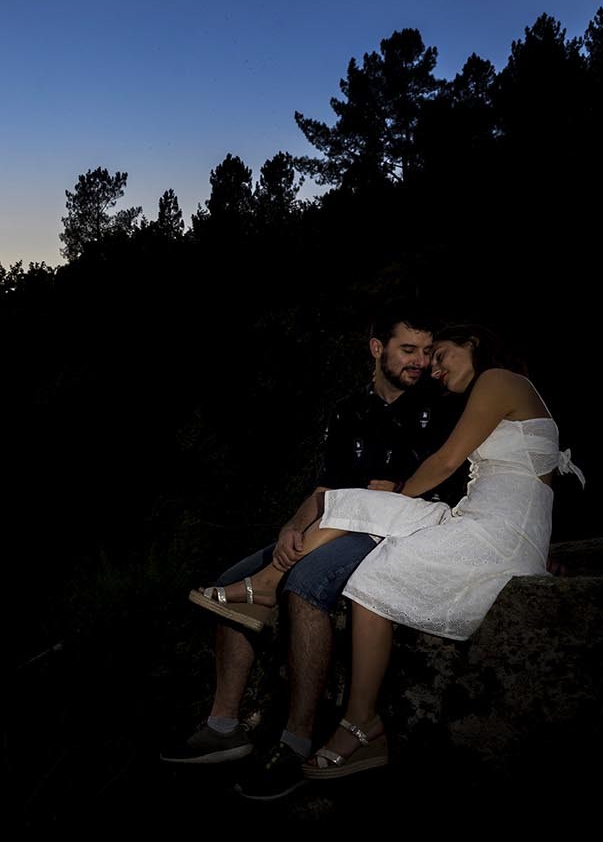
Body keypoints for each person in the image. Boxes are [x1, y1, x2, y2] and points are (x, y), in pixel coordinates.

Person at [206, 324, 584, 779]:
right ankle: (266, 586)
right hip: (476, 520)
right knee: (355, 500)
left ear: (474, 344)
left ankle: (361, 723)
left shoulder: (498, 379)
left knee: (373, 575)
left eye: (441, 355)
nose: (435, 369)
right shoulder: (485, 391)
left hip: (495, 533)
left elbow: (446, 462)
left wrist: (403, 490)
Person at [161, 308, 467, 801]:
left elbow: (452, 478)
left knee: (306, 585)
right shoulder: (349, 410)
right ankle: (223, 725)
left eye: (427, 352)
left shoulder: (441, 404)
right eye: (408, 350)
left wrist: (402, 489)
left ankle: (296, 742)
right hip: (333, 518)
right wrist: (291, 525)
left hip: (393, 528)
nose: (419, 362)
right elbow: (326, 487)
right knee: (230, 581)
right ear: (376, 348)